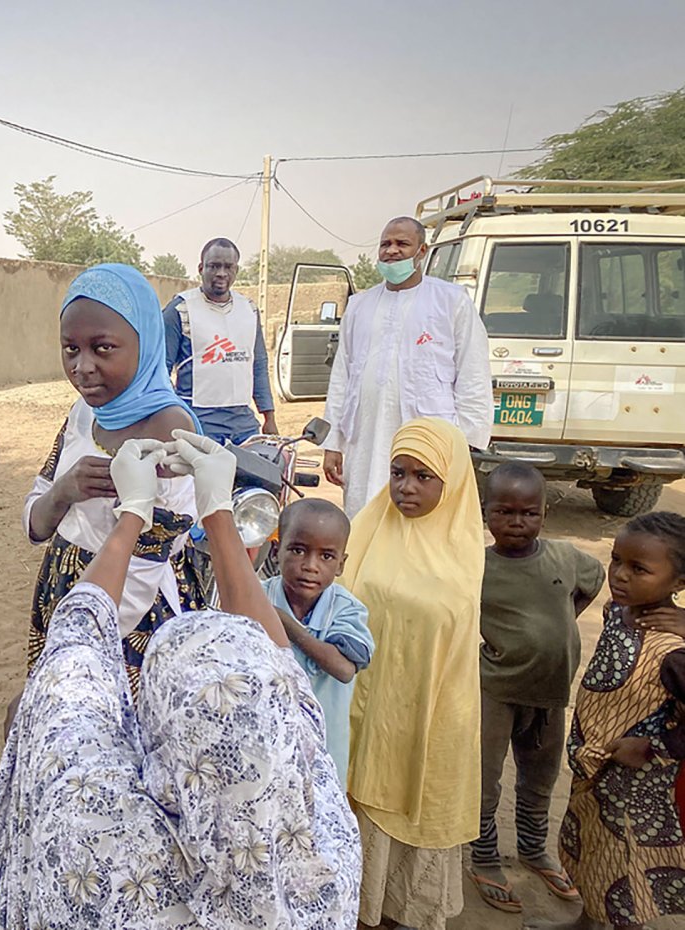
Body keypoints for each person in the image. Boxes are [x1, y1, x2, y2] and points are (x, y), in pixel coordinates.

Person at [0, 433, 361, 929]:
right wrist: (217, 511)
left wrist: (133, 515)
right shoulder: (322, 852)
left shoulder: (95, 820)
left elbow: (75, 647)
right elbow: (280, 663)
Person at [25, 263, 204, 697]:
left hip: (130, 617)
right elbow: (35, 522)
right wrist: (66, 488)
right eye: (70, 349)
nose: (82, 368)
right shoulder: (84, 414)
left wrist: (70, 653)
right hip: (64, 590)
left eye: (103, 348)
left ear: (145, 343)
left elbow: (142, 573)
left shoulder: (168, 433)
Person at [345, 417, 485, 930]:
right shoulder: (367, 527)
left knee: (411, 818)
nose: (406, 487)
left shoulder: (461, 548)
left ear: (452, 481)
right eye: (398, 472)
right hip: (362, 711)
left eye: (424, 476)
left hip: (428, 714)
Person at [528, 512, 685, 930]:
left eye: (639, 569)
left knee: (626, 869)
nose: (619, 575)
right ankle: (587, 920)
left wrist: (653, 747)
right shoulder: (621, 611)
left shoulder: (674, 648)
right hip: (595, 769)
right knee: (592, 852)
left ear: (678, 583)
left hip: (638, 786)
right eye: (616, 560)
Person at [468, 463, 604, 913]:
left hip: (550, 694)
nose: (516, 522)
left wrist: (562, 621)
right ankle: (485, 856)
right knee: (485, 779)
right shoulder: (477, 568)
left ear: (544, 513)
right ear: (485, 513)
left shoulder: (565, 557)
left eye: (529, 513)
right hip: (496, 690)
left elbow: (592, 580)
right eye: (503, 512)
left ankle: (532, 848)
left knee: (541, 778)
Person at [321, 216, 492, 517]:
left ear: (422, 251)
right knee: (363, 517)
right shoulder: (360, 306)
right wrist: (333, 442)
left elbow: (473, 375)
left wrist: (465, 445)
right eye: (385, 244)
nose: (392, 251)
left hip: (429, 442)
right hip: (365, 441)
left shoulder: (451, 301)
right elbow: (342, 380)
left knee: (420, 524)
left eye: (402, 244)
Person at [261, 497, 373, 777]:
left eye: (326, 556)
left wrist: (283, 622)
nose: (310, 565)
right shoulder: (258, 597)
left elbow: (344, 669)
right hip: (265, 747)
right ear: (276, 551)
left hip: (322, 753)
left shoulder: (346, 609)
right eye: (298, 550)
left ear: (341, 564)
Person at [163, 237, 277, 444]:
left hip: (243, 423)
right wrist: (175, 414)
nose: (221, 273)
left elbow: (258, 364)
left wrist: (269, 416)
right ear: (201, 268)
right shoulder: (180, 310)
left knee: (259, 473)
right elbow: (161, 369)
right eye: (213, 266)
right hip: (198, 422)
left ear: (236, 270)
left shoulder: (248, 310)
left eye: (228, 267)